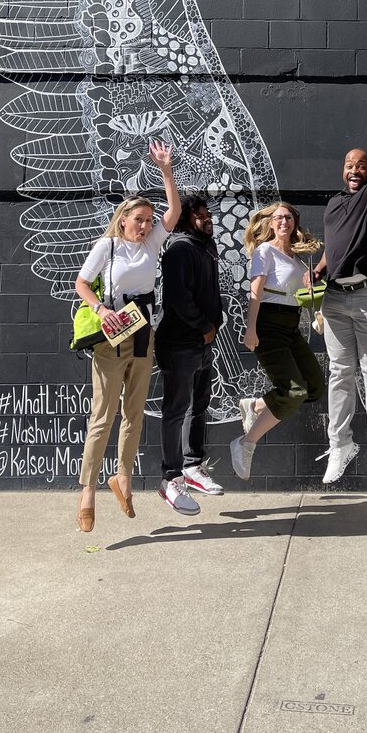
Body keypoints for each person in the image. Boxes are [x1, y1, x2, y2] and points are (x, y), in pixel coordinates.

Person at [74, 141, 181, 533]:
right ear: (123, 220)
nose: (146, 225)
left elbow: (175, 212)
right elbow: (82, 284)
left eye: (149, 220)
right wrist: (102, 310)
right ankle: (87, 490)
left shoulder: (152, 244)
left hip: (143, 336)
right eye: (139, 219)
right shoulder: (109, 246)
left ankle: (123, 478)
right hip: (111, 335)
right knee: (102, 417)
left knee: (134, 414)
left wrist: (166, 171)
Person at [311, 69, 367, 491]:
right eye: (348, 164)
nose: (354, 169)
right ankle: (341, 444)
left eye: (361, 165)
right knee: (339, 373)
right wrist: (322, 267)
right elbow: (336, 245)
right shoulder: (333, 204)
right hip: (334, 299)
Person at [229, 203, 325, 481]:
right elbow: (256, 292)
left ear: (295, 222)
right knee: (293, 392)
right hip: (268, 325)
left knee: (314, 387)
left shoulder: (296, 258)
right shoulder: (264, 251)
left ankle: (256, 405)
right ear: (270, 223)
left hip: (291, 325)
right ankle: (246, 443)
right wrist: (251, 328)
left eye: (289, 218)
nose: (284, 222)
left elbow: (295, 293)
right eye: (279, 218)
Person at [154, 194, 225, 513]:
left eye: (207, 213)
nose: (207, 218)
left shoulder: (205, 246)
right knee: (176, 410)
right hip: (181, 344)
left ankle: (193, 466)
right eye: (199, 215)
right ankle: (171, 477)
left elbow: (211, 293)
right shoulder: (180, 248)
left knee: (198, 407)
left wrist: (213, 324)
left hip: (203, 342)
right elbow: (179, 298)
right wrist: (202, 326)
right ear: (185, 220)